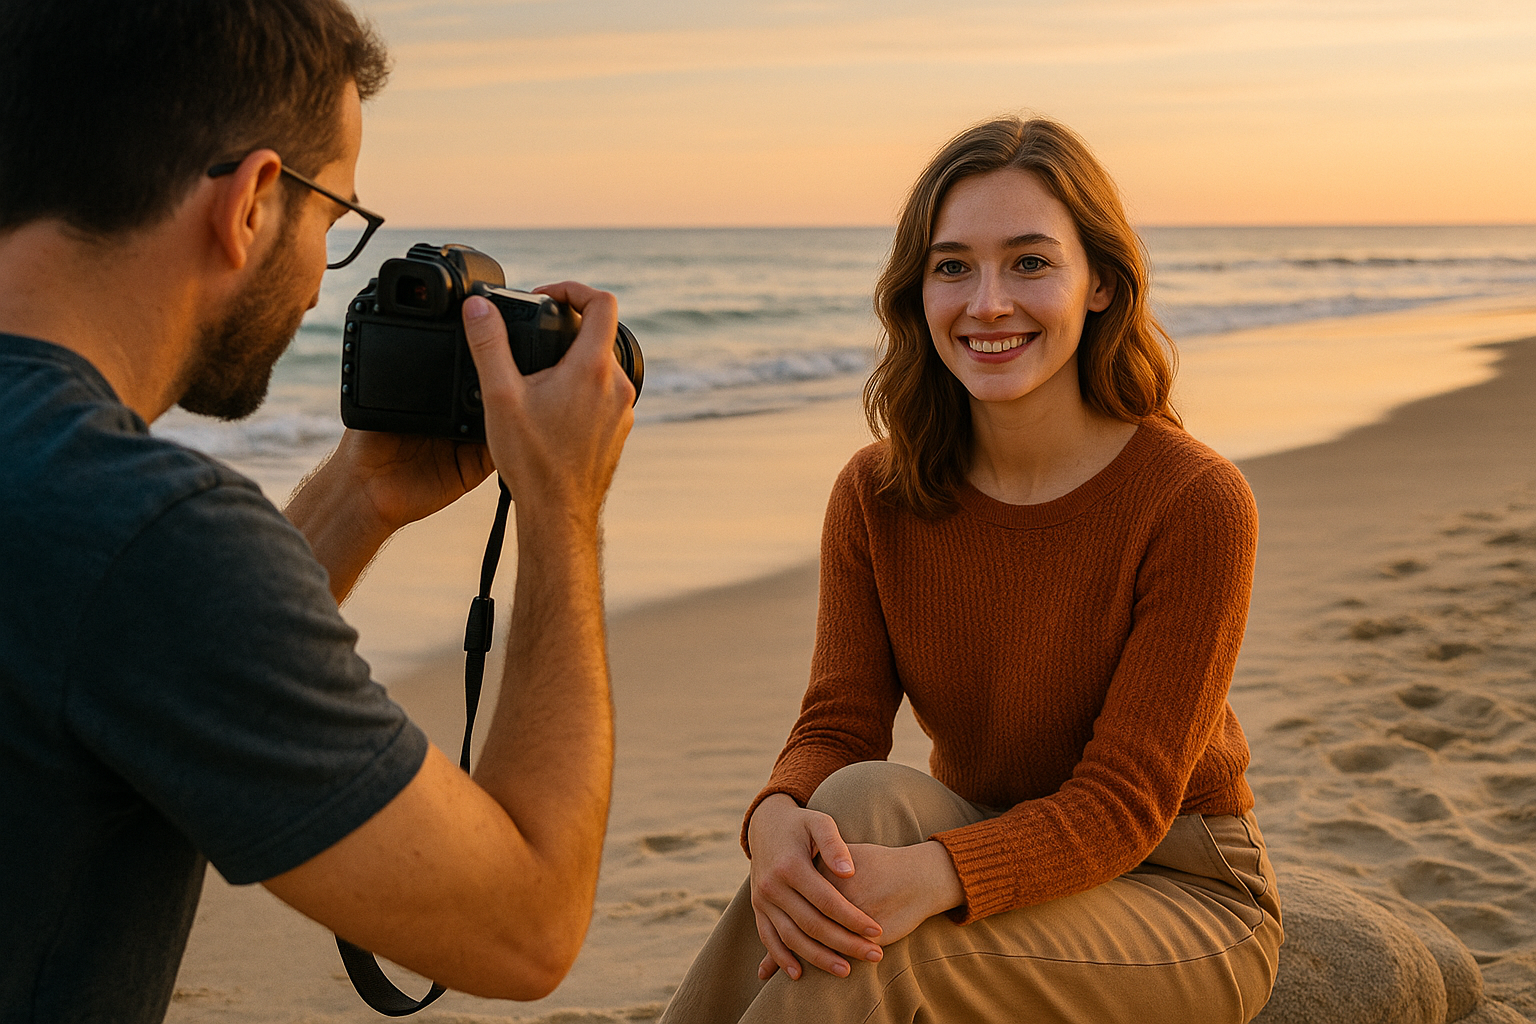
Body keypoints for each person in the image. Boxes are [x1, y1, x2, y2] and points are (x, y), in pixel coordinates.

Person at [0, 2, 634, 1021]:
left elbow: (142, 654)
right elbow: (526, 925)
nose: (317, 288)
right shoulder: (142, 532)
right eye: (336, 220)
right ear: (252, 200)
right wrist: (561, 505)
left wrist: (363, 489)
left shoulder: (101, 540)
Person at [658, 116, 1283, 1024]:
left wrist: (934, 876)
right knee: (850, 799)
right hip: (986, 830)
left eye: (1030, 262)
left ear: (1100, 282)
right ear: (918, 291)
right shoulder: (878, 492)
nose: (987, 302)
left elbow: (1124, 803)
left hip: (1181, 889)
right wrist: (773, 821)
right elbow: (841, 721)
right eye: (953, 266)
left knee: (869, 959)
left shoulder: (1194, 501)